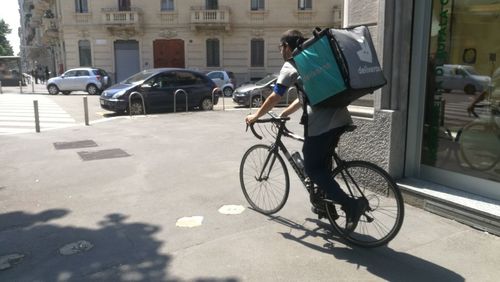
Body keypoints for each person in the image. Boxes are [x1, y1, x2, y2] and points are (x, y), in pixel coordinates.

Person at [245, 29, 367, 231]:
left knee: (312, 168)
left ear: (286, 46)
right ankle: (328, 207)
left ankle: (351, 205)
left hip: (322, 123)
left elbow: (275, 95)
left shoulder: (291, 64)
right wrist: (285, 112)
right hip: (340, 117)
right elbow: (307, 95)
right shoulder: (312, 60)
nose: (280, 51)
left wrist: (255, 116)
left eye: (280, 47)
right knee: (322, 167)